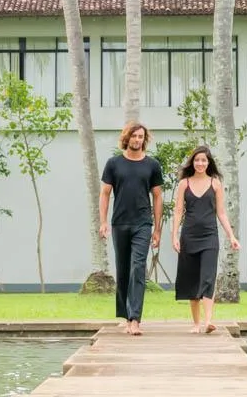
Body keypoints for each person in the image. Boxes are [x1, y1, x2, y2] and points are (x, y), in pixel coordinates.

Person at [100, 121, 162, 335]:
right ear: (127, 138)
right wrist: (103, 222)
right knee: (123, 269)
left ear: (145, 139)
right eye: (134, 136)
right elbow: (105, 194)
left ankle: (135, 319)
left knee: (137, 267)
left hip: (143, 223)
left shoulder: (152, 165)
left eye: (141, 136)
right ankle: (125, 316)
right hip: (120, 223)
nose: (138, 140)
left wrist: (157, 229)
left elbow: (157, 196)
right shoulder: (113, 164)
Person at [171, 144, 239, 334]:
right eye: (197, 160)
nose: (200, 163)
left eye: (203, 160)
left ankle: (209, 321)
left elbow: (222, 213)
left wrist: (231, 236)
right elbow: (178, 212)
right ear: (193, 162)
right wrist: (174, 236)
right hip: (189, 236)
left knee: (208, 277)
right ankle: (196, 324)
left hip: (210, 236)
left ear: (208, 163)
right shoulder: (184, 184)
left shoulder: (215, 184)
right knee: (191, 279)